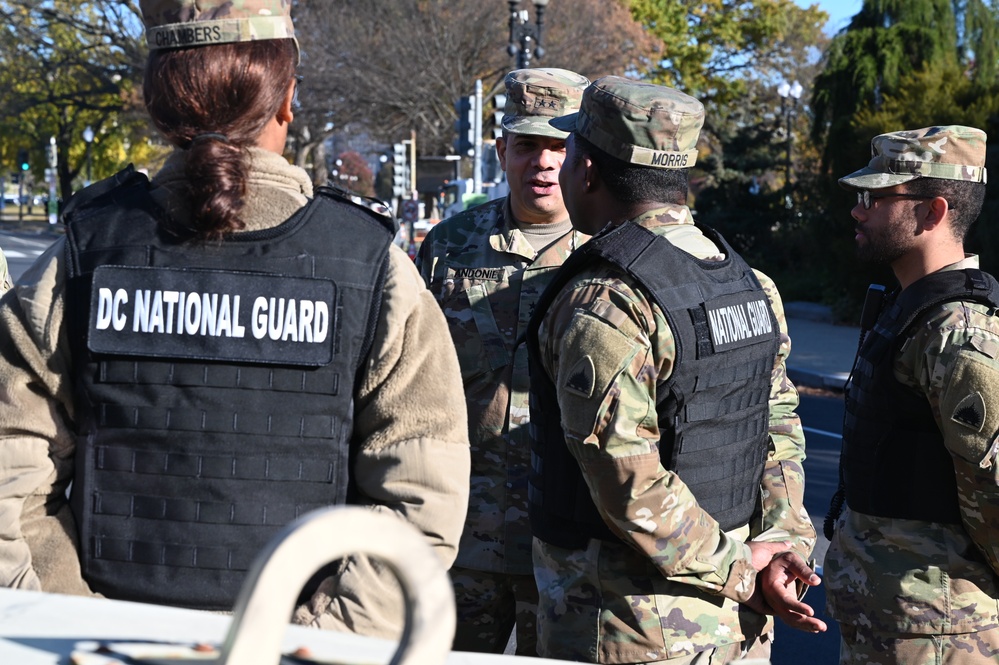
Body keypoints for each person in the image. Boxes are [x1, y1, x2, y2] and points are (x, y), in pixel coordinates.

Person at [0, 0, 470, 640]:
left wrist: (80, 621)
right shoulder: (375, 268)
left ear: (159, 102)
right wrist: (315, 641)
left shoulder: (77, 259)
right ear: (286, 101)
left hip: (94, 642)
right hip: (308, 646)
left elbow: (11, 476)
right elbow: (421, 498)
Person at [525, 76, 825, 664]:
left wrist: (743, 571)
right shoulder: (750, 284)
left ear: (586, 169)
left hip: (632, 625)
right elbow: (778, 426)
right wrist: (783, 541)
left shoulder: (608, 302)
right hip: (738, 626)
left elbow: (628, 482)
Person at [415, 67, 590, 655]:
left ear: (580, 156)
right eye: (528, 145)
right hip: (463, 536)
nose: (542, 162)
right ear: (501, 152)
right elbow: (406, 380)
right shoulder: (448, 247)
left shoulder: (611, 255)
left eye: (558, 147)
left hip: (566, 544)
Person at [825, 125, 999, 663]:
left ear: (932, 212)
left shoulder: (959, 334)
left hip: (940, 634)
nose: (859, 211)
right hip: (892, 623)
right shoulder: (913, 311)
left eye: (876, 198)